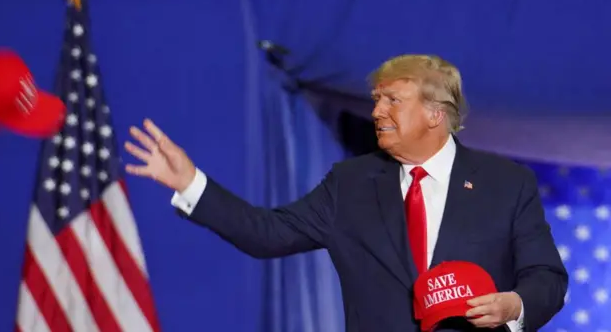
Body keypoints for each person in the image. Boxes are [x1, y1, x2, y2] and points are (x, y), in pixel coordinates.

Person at [124, 55, 568, 332]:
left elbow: (547, 278)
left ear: (436, 114)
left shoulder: (507, 184)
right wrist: (190, 184)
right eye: (375, 100)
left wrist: (515, 305)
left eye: (392, 100)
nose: (377, 111)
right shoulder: (349, 184)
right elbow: (265, 233)